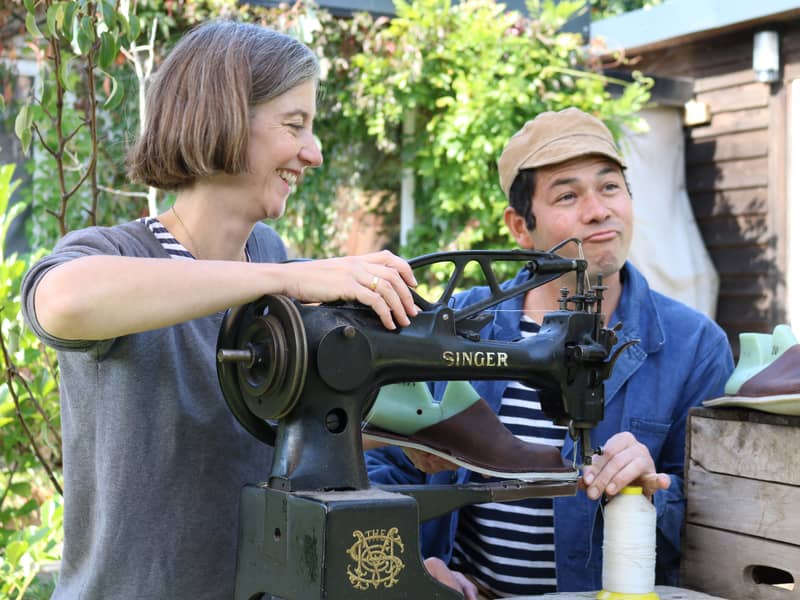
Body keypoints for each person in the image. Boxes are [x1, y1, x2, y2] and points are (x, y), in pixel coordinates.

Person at [20, 21, 428, 600]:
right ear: (224, 116)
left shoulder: (267, 254)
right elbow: (60, 301)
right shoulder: (116, 253)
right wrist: (285, 279)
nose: (313, 153)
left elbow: (248, 432)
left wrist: (412, 440)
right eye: (295, 126)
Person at [366, 107, 734, 597]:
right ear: (520, 226)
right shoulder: (453, 329)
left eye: (610, 187)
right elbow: (381, 469)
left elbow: (716, 520)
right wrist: (415, 567)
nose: (599, 209)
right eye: (568, 194)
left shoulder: (695, 347)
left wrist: (652, 493)